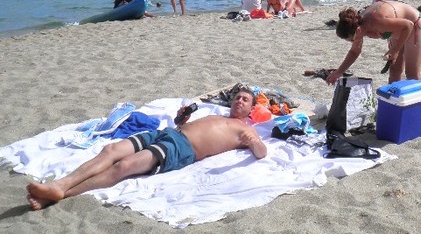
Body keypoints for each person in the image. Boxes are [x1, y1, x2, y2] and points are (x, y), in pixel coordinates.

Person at [26, 87, 267, 211]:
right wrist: (181, 119)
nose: (239, 101)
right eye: (237, 97)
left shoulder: (246, 129)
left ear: (251, 109)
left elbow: (261, 153)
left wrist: (254, 142)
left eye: (245, 100)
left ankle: (61, 194)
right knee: (110, 150)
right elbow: (183, 124)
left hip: (182, 148)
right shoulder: (216, 114)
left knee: (124, 166)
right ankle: (60, 184)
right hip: (169, 133)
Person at [326, 0, 421, 84]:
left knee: (411, 74)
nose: (354, 42)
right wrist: (338, 72)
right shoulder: (359, 27)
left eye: (352, 39)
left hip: (415, 24)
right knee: (394, 70)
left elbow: (408, 25)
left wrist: (395, 49)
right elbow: (354, 52)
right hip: (397, 30)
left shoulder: (376, 21)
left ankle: (418, 101)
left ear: (357, 30)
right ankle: (393, 100)